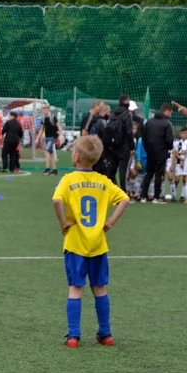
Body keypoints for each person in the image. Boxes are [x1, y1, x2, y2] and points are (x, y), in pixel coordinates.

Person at [51, 135, 130, 349]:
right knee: (99, 288)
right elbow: (125, 200)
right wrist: (110, 222)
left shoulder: (68, 179)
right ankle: (106, 333)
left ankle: (74, 336)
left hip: (75, 243)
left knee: (76, 288)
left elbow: (57, 201)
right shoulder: (104, 181)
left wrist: (63, 223)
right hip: (98, 244)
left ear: (76, 156)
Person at [140, 103, 174, 203]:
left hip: (150, 152)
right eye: (170, 112)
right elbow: (169, 139)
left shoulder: (149, 122)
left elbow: (144, 137)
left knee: (149, 173)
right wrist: (168, 148)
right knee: (159, 174)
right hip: (161, 152)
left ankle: (143, 196)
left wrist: (147, 149)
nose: (170, 115)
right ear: (166, 111)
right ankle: (156, 197)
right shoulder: (167, 123)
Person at [103, 95, 135, 190]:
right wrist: (132, 145)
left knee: (111, 170)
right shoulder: (127, 114)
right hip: (124, 146)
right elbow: (129, 132)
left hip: (113, 146)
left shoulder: (114, 114)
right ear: (127, 102)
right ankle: (123, 192)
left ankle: (112, 190)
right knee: (123, 171)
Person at [168, 126, 187, 200]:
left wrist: (184, 160)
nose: (183, 135)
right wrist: (179, 159)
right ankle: (174, 192)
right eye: (182, 133)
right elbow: (175, 153)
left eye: (185, 133)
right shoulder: (177, 143)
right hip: (178, 164)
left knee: (185, 180)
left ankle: (183, 195)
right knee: (177, 179)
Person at [41, 104, 60, 175]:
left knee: (47, 151)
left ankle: (47, 169)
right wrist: (37, 138)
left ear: (48, 109)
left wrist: (62, 134)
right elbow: (42, 129)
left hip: (52, 137)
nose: (44, 110)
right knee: (51, 153)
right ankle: (55, 170)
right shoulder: (43, 119)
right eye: (43, 109)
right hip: (47, 137)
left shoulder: (52, 117)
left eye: (45, 109)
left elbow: (58, 125)